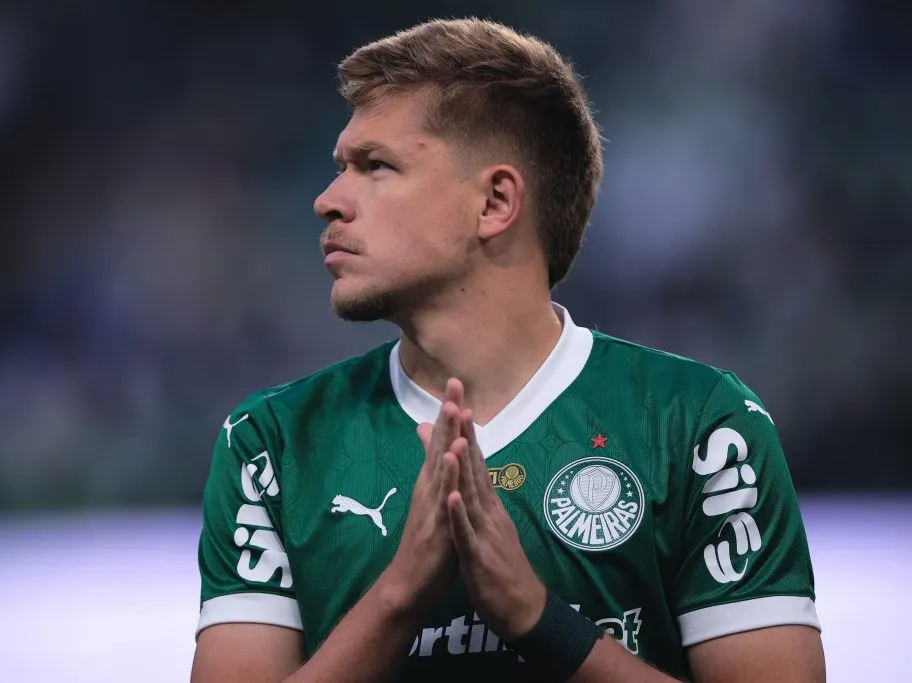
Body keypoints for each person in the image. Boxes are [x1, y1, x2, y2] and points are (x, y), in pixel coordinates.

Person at [190, 17, 826, 683]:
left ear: (495, 201)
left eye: (375, 166)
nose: (327, 201)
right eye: (340, 168)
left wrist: (535, 617)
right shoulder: (272, 442)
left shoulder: (700, 425)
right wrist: (399, 596)